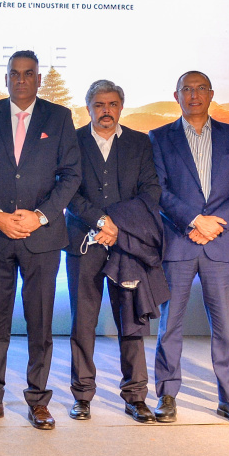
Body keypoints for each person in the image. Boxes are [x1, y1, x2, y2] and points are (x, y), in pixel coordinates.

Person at [0, 51, 80, 430]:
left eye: (28, 74)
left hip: (42, 237)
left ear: (38, 79)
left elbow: (71, 175)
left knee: (40, 323)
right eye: (14, 74)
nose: (20, 80)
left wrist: (40, 215)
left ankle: (38, 400)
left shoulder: (58, 118)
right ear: (6, 79)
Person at [148, 70, 229, 425]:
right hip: (179, 241)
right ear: (176, 95)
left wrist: (214, 224)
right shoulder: (159, 138)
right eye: (186, 89)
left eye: (200, 89)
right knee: (170, 324)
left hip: (219, 243)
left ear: (211, 94)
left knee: (224, 326)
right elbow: (159, 189)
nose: (193, 95)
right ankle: (167, 394)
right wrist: (194, 221)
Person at [64, 80, 164, 423]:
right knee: (83, 322)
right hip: (83, 242)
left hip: (128, 244)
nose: (106, 111)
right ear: (88, 107)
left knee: (131, 320)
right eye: (99, 104)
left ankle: (136, 396)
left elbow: (151, 191)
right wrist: (100, 221)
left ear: (121, 107)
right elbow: (67, 190)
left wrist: (116, 226)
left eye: (112, 104)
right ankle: (82, 395)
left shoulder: (139, 142)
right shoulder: (72, 141)